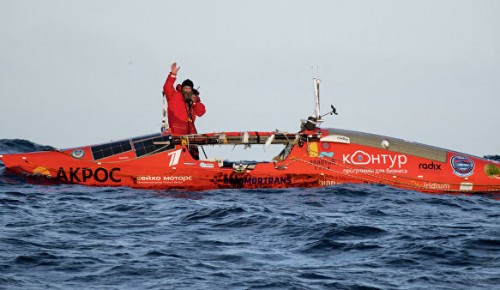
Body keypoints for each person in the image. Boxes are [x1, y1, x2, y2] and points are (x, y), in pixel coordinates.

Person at [163, 62, 206, 160]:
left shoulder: (194, 100)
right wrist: (172, 75)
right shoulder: (174, 97)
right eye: (185, 88)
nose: (187, 90)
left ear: (192, 89)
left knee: (193, 158)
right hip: (176, 132)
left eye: (189, 88)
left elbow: (201, 112)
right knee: (178, 157)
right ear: (182, 88)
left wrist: (195, 103)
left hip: (190, 133)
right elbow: (167, 87)